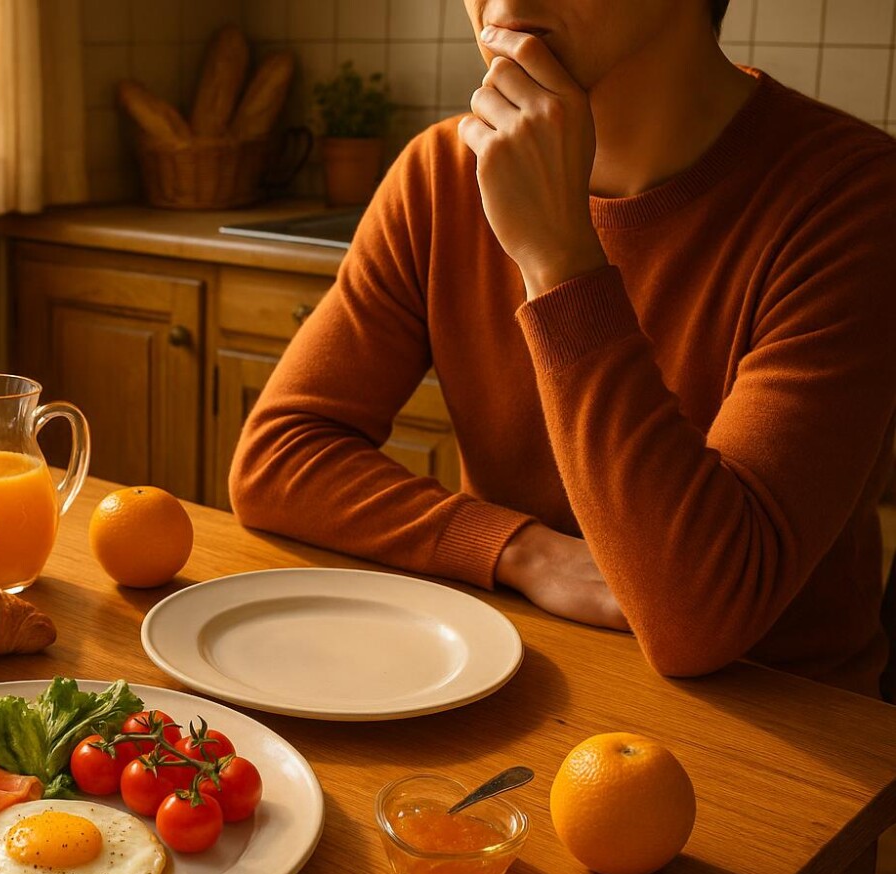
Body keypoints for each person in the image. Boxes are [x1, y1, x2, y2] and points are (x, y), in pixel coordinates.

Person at [229, 0, 896, 696]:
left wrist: (557, 257)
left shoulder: (853, 196)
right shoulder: (439, 171)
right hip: (516, 671)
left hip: (784, 721)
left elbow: (695, 619)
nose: (504, 6)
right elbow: (278, 458)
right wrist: (523, 553)